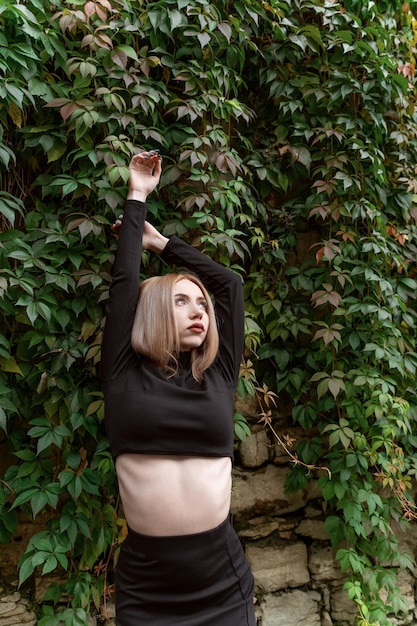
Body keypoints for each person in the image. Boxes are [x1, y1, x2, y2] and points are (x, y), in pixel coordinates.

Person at [100, 149, 256, 626]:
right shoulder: (122, 372)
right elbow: (126, 280)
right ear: (153, 312)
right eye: (183, 301)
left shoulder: (219, 374)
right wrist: (137, 198)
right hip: (148, 588)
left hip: (222, 583)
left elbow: (228, 285)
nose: (200, 312)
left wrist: (163, 244)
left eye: (201, 305)